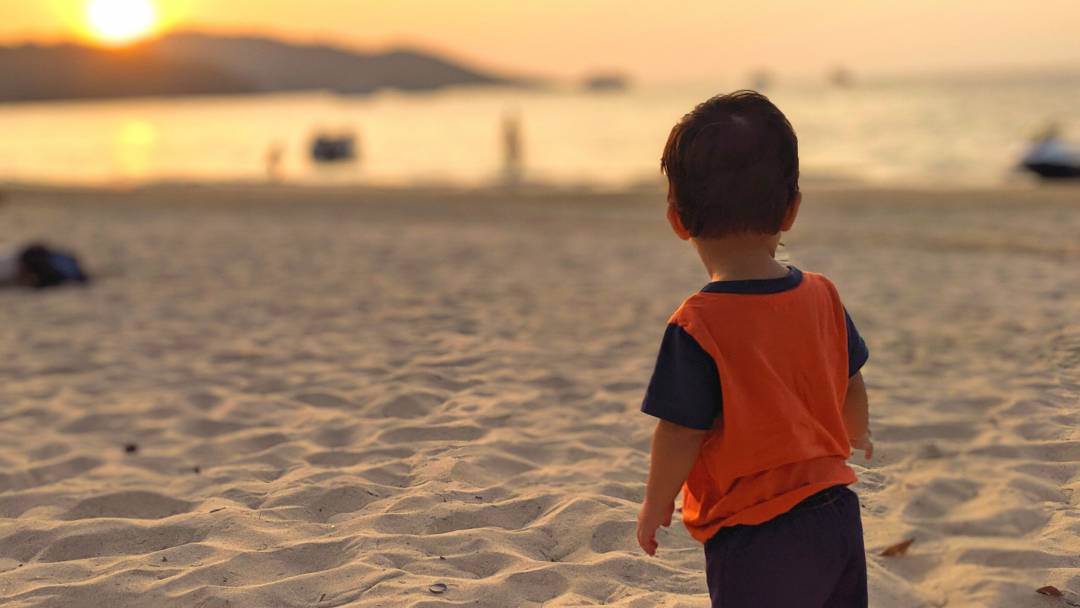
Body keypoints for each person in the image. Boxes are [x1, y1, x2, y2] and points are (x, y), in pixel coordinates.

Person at [636, 90, 873, 608]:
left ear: (677, 219)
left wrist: (658, 501)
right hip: (837, 514)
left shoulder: (698, 324)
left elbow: (681, 428)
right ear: (790, 210)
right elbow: (851, 382)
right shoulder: (823, 294)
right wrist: (857, 433)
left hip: (758, 534)